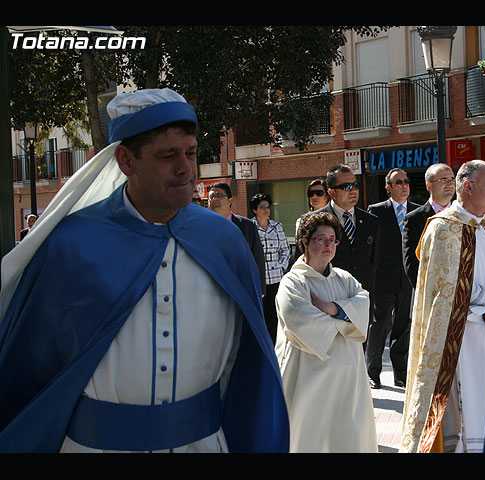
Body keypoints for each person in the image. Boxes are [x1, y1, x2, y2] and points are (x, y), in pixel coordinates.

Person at [0, 88, 289, 453]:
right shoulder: (72, 245)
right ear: (126, 160)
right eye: (167, 155)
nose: (185, 168)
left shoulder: (224, 241)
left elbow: (248, 362)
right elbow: (29, 368)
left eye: (191, 152)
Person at [400, 159, 485, 453]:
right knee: (464, 407)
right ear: (467, 186)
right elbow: (441, 292)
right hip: (459, 339)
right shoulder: (443, 229)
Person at [275, 211, 377, 452]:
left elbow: (364, 303)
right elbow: (300, 321)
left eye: (333, 239)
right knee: (311, 435)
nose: (328, 245)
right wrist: (347, 318)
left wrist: (333, 308)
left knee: (347, 434)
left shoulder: (345, 279)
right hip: (310, 375)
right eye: (321, 239)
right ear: (305, 242)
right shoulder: (293, 282)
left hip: (348, 377)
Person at [366, 168, 420, 389]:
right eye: (398, 182)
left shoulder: (417, 212)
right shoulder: (376, 211)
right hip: (382, 280)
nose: (404, 185)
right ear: (388, 187)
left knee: (403, 326)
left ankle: (400, 373)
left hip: (407, 281)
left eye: (406, 181)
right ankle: (373, 372)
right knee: (379, 326)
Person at [317, 164, 378, 297]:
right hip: (328, 296)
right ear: (332, 193)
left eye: (355, 186)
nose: (353, 191)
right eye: (346, 187)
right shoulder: (315, 221)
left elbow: (375, 262)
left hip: (362, 297)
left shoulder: (371, 221)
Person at [402, 163, 455, 289]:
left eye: (452, 179)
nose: (449, 183)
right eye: (443, 180)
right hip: (431, 292)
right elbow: (412, 264)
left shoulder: (463, 214)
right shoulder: (414, 219)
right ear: (429, 185)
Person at [208, 182, 266, 295]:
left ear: (230, 200)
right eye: (211, 196)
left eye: (219, 195)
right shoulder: (201, 227)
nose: (214, 199)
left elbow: (257, 259)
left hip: (241, 288)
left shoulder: (247, 226)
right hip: (211, 290)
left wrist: (260, 289)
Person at [250, 193, 290, 345]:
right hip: (258, 279)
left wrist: (281, 267)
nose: (266, 210)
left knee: (275, 316)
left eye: (268, 207)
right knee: (260, 316)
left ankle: (275, 346)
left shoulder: (277, 226)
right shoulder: (250, 227)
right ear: (255, 210)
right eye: (262, 207)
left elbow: (285, 250)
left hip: (276, 278)